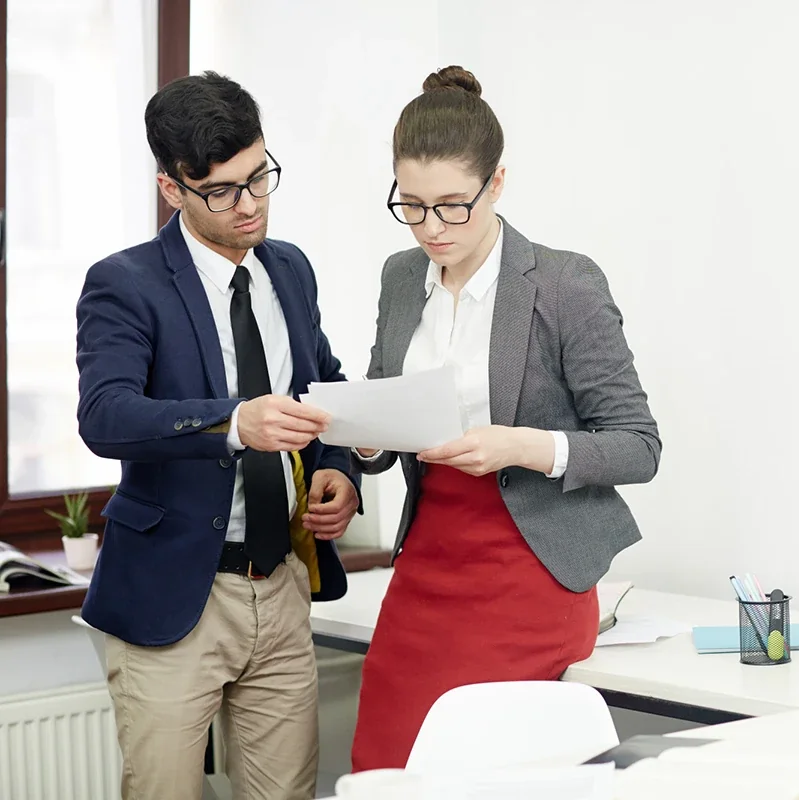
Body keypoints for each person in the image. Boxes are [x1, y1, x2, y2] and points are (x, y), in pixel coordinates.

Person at [349, 64, 662, 770]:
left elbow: (638, 447)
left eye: (452, 205)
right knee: (385, 768)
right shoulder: (401, 277)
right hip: (426, 565)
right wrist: (363, 441)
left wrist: (521, 446)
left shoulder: (563, 283)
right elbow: (387, 399)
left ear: (496, 184)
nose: (432, 228)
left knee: (474, 768)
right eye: (411, 205)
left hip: (530, 570)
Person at [75, 71, 362, 800]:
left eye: (259, 177)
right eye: (222, 191)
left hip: (283, 582)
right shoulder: (125, 283)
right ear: (172, 189)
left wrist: (339, 469)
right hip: (175, 597)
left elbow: (322, 388)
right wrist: (233, 423)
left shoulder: (289, 269)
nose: (250, 204)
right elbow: (105, 414)